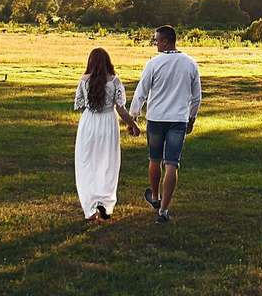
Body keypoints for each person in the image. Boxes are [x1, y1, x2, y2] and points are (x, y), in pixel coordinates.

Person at [127, 24, 201, 224]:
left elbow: (141, 92)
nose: (155, 43)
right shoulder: (190, 63)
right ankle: (164, 210)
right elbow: (196, 98)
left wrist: (133, 116)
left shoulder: (153, 63)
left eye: (157, 40)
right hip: (178, 119)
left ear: (166, 41)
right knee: (172, 164)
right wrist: (192, 118)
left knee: (154, 159)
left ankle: (156, 198)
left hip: (156, 119)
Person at [73, 47, 139, 221]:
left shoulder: (84, 80)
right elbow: (121, 108)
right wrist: (133, 124)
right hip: (108, 123)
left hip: (89, 123)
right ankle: (104, 201)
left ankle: (90, 208)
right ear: (108, 61)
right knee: (108, 163)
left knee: (87, 164)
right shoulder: (115, 81)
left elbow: (79, 105)